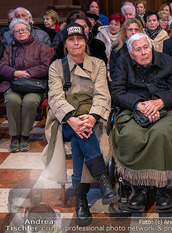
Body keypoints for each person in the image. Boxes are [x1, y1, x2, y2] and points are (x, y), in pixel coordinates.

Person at [42, 23, 116, 226]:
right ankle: (102, 180)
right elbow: (55, 98)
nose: (76, 43)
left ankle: (81, 199)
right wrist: (72, 119)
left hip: (91, 117)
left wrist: (91, 118)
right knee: (79, 133)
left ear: (85, 42)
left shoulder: (98, 64)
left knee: (79, 139)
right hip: (65, 119)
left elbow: (103, 94)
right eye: (71, 40)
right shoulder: (57, 66)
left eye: (80, 39)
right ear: (65, 44)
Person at [110, 33, 172, 212]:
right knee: (130, 134)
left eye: (146, 47)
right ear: (131, 53)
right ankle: (140, 188)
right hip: (133, 108)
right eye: (138, 50)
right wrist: (138, 105)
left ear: (151, 47)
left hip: (165, 108)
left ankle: (160, 189)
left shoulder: (168, 61)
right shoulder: (122, 62)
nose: (143, 52)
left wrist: (159, 102)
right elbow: (117, 92)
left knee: (161, 133)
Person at [0, 19, 51, 153]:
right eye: (17, 31)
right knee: (12, 100)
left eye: (23, 29)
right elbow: (2, 67)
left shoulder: (41, 46)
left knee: (30, 102)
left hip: (34, 85)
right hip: (14, 85)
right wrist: (15, 72)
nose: (20, 32)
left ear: (29, 31)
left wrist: (28, 72)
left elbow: (46, 66)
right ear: (13, 34)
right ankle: (15, 137)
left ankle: (25, 136)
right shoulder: (9, 48)